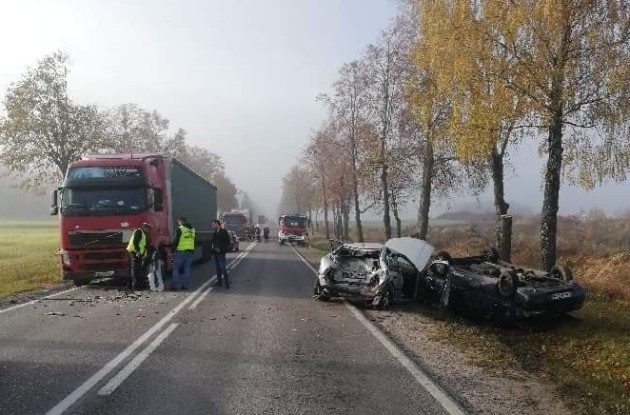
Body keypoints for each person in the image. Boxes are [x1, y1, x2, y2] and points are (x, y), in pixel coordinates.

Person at [171, 217, 195, 291]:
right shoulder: (192, 230)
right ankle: (185, 285)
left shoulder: (180, 229)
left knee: (176, 269)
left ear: (181, 221)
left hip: (180, 252)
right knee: (187, 269)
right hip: (190, 252)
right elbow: (194, 240)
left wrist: (173, 250)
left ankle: (175, 286)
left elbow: (175, 241)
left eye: (179, 222)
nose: (178, 223)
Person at [126, 222, 152, 291]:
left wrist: (143, 255)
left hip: (138, 253)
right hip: (134, 252)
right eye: (148, 229)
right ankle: (135, 286)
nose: (149, 230)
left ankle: (137, 285)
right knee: (135, 269)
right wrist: (138, 252)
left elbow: (144, 246)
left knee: (137, 269)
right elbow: (135, 242)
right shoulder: (139, 232)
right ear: (144, 227)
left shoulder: (143, 233)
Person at [212, 219, 231, 288]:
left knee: (222, 267)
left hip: (221, 253)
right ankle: (219, 282)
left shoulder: (224, 232)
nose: (212, 226)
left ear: (217, 224)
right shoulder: (215, 233)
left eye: (213, 224)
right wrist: (213, 248)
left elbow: (227, 242)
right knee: (217, 268)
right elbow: (214, 242)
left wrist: (221, 249)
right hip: (215, 253)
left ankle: (227, 283)